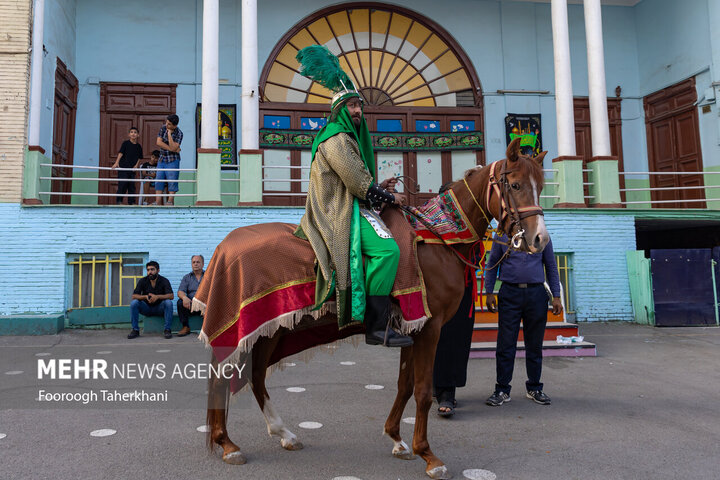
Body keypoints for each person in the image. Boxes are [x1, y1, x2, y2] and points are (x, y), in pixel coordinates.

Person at [293, 45, 412, 347]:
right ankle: (376, 327)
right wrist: (390, 197)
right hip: (337, 211)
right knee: (389, 251)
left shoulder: (346, 137)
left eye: (359, 106)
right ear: (339, 111)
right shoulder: (336, 137)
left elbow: (360, 181)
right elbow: (359, 184)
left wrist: (380, 186)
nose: (358, 111)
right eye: (352, 106)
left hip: (351, 203)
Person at [484, 234, 563, 406]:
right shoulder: (502, 236)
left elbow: (550, 266)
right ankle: (502, 389)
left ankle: (534, 387)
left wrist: (556, 295)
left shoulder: (542, 236)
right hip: (509, 293)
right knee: (506, 344)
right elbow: (492, 264)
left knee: (534, 344)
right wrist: (489, 292)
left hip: (536, 294)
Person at [432, 185, 477, 417]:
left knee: (456, 341)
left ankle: (447, 392)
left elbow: (477, 256)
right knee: (436, 340)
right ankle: (437, 387)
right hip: (440, 290)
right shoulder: (434, 224)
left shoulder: (469, 227)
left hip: (463, 290)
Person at [127, 261, 175, 339]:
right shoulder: (143, 281)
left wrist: (157, 297)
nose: (150, 272)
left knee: (168, 303)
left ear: (158, 270)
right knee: (134, 303)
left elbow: (171, 296)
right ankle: (135, 330)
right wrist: (145, 297)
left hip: (160, 308)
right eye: (148, 270)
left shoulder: (164, 280)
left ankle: (167, 330)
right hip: (146, 308)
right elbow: (134, 296)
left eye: (152, 269)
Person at [155, 114, 183, 206]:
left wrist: (169, 134)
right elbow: (158, 142)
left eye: (169, 124)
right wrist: (172, 149)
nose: (167, 125)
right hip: (162, 159)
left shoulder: (179, 133)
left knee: (172, 181)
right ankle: (158, 203)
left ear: (175, 125)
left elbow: (174, 146)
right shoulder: (163, 128)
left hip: (173, 160)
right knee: (159, 181)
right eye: (166, 122)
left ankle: (170, 201)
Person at [111, 126, 143, 205]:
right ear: (129, 134)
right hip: (123, 168)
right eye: (131, 132)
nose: (133, 134)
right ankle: (119, 201)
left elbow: (139, 157)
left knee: (131, 186)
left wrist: (136, 165)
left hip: (132, 169)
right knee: (123, 184)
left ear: (138, 135)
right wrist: (116, 163)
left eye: (135, 132)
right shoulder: (125, 143)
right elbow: (120, 153)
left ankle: (131, 202)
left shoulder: (139, 146)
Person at [176, 255, 205, 337]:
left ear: (202, 264)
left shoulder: (209, 276)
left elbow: (214, 291)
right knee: (180, 302)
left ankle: (209, 329)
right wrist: (184, 298)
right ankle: (185, 327)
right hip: (191, 305)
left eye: (198, 262)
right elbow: (180, 291)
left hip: (205, 305)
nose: (195, 264)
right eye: (193, 262)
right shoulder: (187, 277)